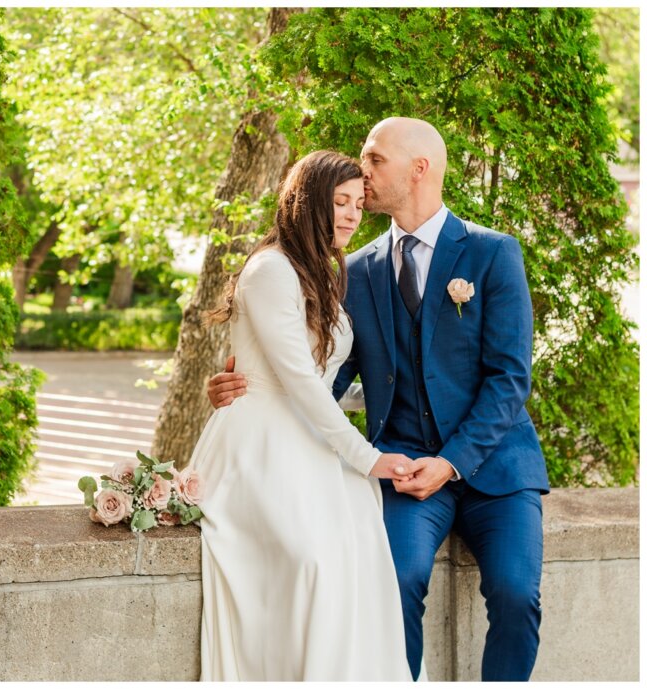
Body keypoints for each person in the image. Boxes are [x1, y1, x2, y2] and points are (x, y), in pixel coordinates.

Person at [208, 117, 549, 681]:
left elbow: (509, 380)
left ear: (420, 169)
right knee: (392, 582)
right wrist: (248, 386)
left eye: (373, 159)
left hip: (496, 471)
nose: (363, 173)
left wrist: (451, 463)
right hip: (402, 466)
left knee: (516, 593)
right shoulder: (356, 269)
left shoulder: (492, 254)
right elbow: (327, 375)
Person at [190, 150, 415, 681]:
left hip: (309, 440)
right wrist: (369, 457)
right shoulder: (270, 269)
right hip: (261, 444)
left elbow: (326, 380)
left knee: (359, 546)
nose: (352, 215)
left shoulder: (324, 272)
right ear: (307, 202)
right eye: (340, 202)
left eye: (359, 204)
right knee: (309, 559)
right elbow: (297, 380)